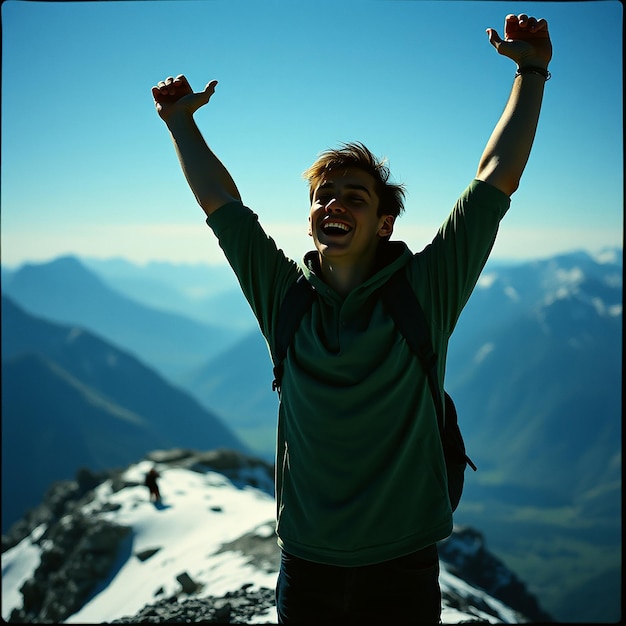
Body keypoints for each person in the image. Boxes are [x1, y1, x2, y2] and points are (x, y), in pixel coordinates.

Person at [152, 13, 552, 624]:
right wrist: (181, 123)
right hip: (307, 564)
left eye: (355, 197)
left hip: (402, 563)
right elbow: (222, 206)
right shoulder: (284, 295)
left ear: (385, 223)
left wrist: (531, 72)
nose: (334, 204)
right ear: (310, 219)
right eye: (323, 197)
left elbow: (495, 180)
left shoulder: (425, 291)